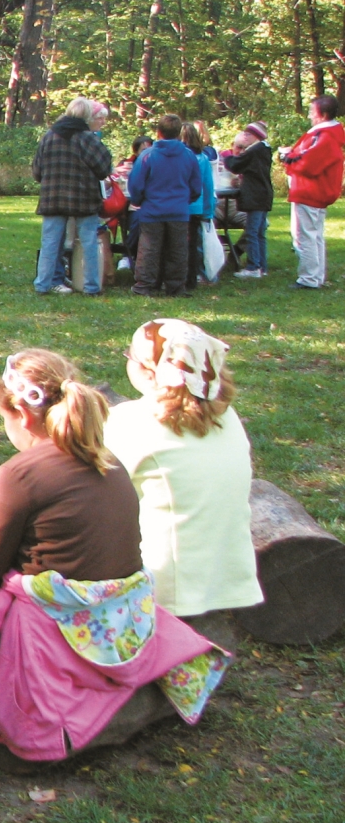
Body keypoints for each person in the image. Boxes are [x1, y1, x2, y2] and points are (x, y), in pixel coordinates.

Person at [0, 351, 227, 762]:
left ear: (23, 415)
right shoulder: (109, 461)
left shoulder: (20, 475)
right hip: (118, 623)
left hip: (53, 632)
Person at [105, 320, 264, 621]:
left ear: (149, 371)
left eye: (130, 356)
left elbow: (90, 488)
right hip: (226, 574)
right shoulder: (226, 415)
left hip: (164, 586)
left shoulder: (129, 421)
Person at [31, 97, 113, 295]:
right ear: (86, 116)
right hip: (83, 197)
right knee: (89, 243)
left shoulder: (49, 137)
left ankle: (42, 284)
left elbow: (37, 171)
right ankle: (91, 286)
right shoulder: (87, 138)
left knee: (50, 243)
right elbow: (104, 168)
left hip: (53, 197)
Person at [126, 114, 201, 296]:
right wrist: (186, 200)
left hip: (152, 210)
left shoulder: (147, 156)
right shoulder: (189, 156)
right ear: (179, 132)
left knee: (149, 250)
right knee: (178, 250)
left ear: (158, 132)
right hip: (178, 210)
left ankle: (144, 285)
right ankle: (176, 286)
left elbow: (136, 184)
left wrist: (137, 200)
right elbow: (196, 186)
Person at [280, 94, 345, 289]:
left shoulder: (324, 136)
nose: (309, 115)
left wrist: (286, 157)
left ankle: (309, 279)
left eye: (311, 112)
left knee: (305, 236)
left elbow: (307, 162)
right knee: (314, 235)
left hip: (311, 192)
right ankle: (316, 276)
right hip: (315, 192)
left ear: (323, 114)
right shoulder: (327, 135)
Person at [224, 121, 274, 279]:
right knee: (259, 233)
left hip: (256, 196)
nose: (245, 136)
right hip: (264, 195)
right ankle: (262, 266)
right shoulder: (264, 150)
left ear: (257, 136)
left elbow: (235, 164)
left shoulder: (254, 151)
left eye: (248, 134)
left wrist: (231, 154)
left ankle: (253, 266)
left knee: (252, 232)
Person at [181, 122, 217, 290]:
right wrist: (208, 209)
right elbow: (208, 185)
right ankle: (194, 276)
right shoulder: (202, 158)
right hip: (196, 206)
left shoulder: (181, 158)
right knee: (193, 243)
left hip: (181, 205)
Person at [115, 136, 155, 272]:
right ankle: (128, 254)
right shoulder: (126, 165)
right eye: (143, 149)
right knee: (138, 220)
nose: (146, 152)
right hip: (131, 205)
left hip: (153, 205)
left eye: (149, 149)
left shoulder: (157, 163)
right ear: (136, 151)